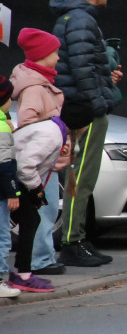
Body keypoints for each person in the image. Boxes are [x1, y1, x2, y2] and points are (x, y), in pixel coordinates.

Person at [50, 0, 121, 267]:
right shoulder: (82, 19)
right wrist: (98, 102)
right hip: (84, 108)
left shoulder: (69, 16)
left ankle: (76, 238)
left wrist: (105, 76)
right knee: (81, 178)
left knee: (78, 177)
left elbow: (83, 65)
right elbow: (81, 69)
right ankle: (72, 241)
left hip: (76, 104)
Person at [10, 29, 73, 276]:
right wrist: (51, 141)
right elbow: (29, 123)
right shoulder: (35, 87)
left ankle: (42, 257)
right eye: (54, 52)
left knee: (44, 210)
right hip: (41, 164)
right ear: (43, 55)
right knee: (42, 210)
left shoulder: (39, 82)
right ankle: (40, 259)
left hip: (46, 159)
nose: (58, 57)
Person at [0, 77, 31, 297]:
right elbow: (5, 164)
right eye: (9, 98)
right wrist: (13, 192)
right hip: (1, 192)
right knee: (2, 236)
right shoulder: (2, 126)